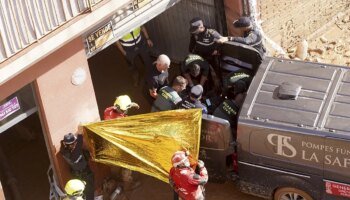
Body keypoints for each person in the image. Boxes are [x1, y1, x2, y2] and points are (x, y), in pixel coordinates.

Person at [103, 95, 141, 191]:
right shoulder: (120, 121)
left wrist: (131, 104)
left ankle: (116, 175)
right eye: (125, 110)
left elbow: (120, 105)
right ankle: (128, 183)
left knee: (115, 164)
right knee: (127, 164)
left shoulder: (108, 110)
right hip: (119, 144)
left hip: (109, 143)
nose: (125, 111)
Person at [60, 133, 94, 200]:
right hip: (84, 174)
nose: (75, 144)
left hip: (76, 175)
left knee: (81, 192)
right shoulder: (74, 154)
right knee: (89, 191)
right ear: (71, 145)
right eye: (74, 143)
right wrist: (80, 134)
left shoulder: (64, 150)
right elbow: (79, 143)